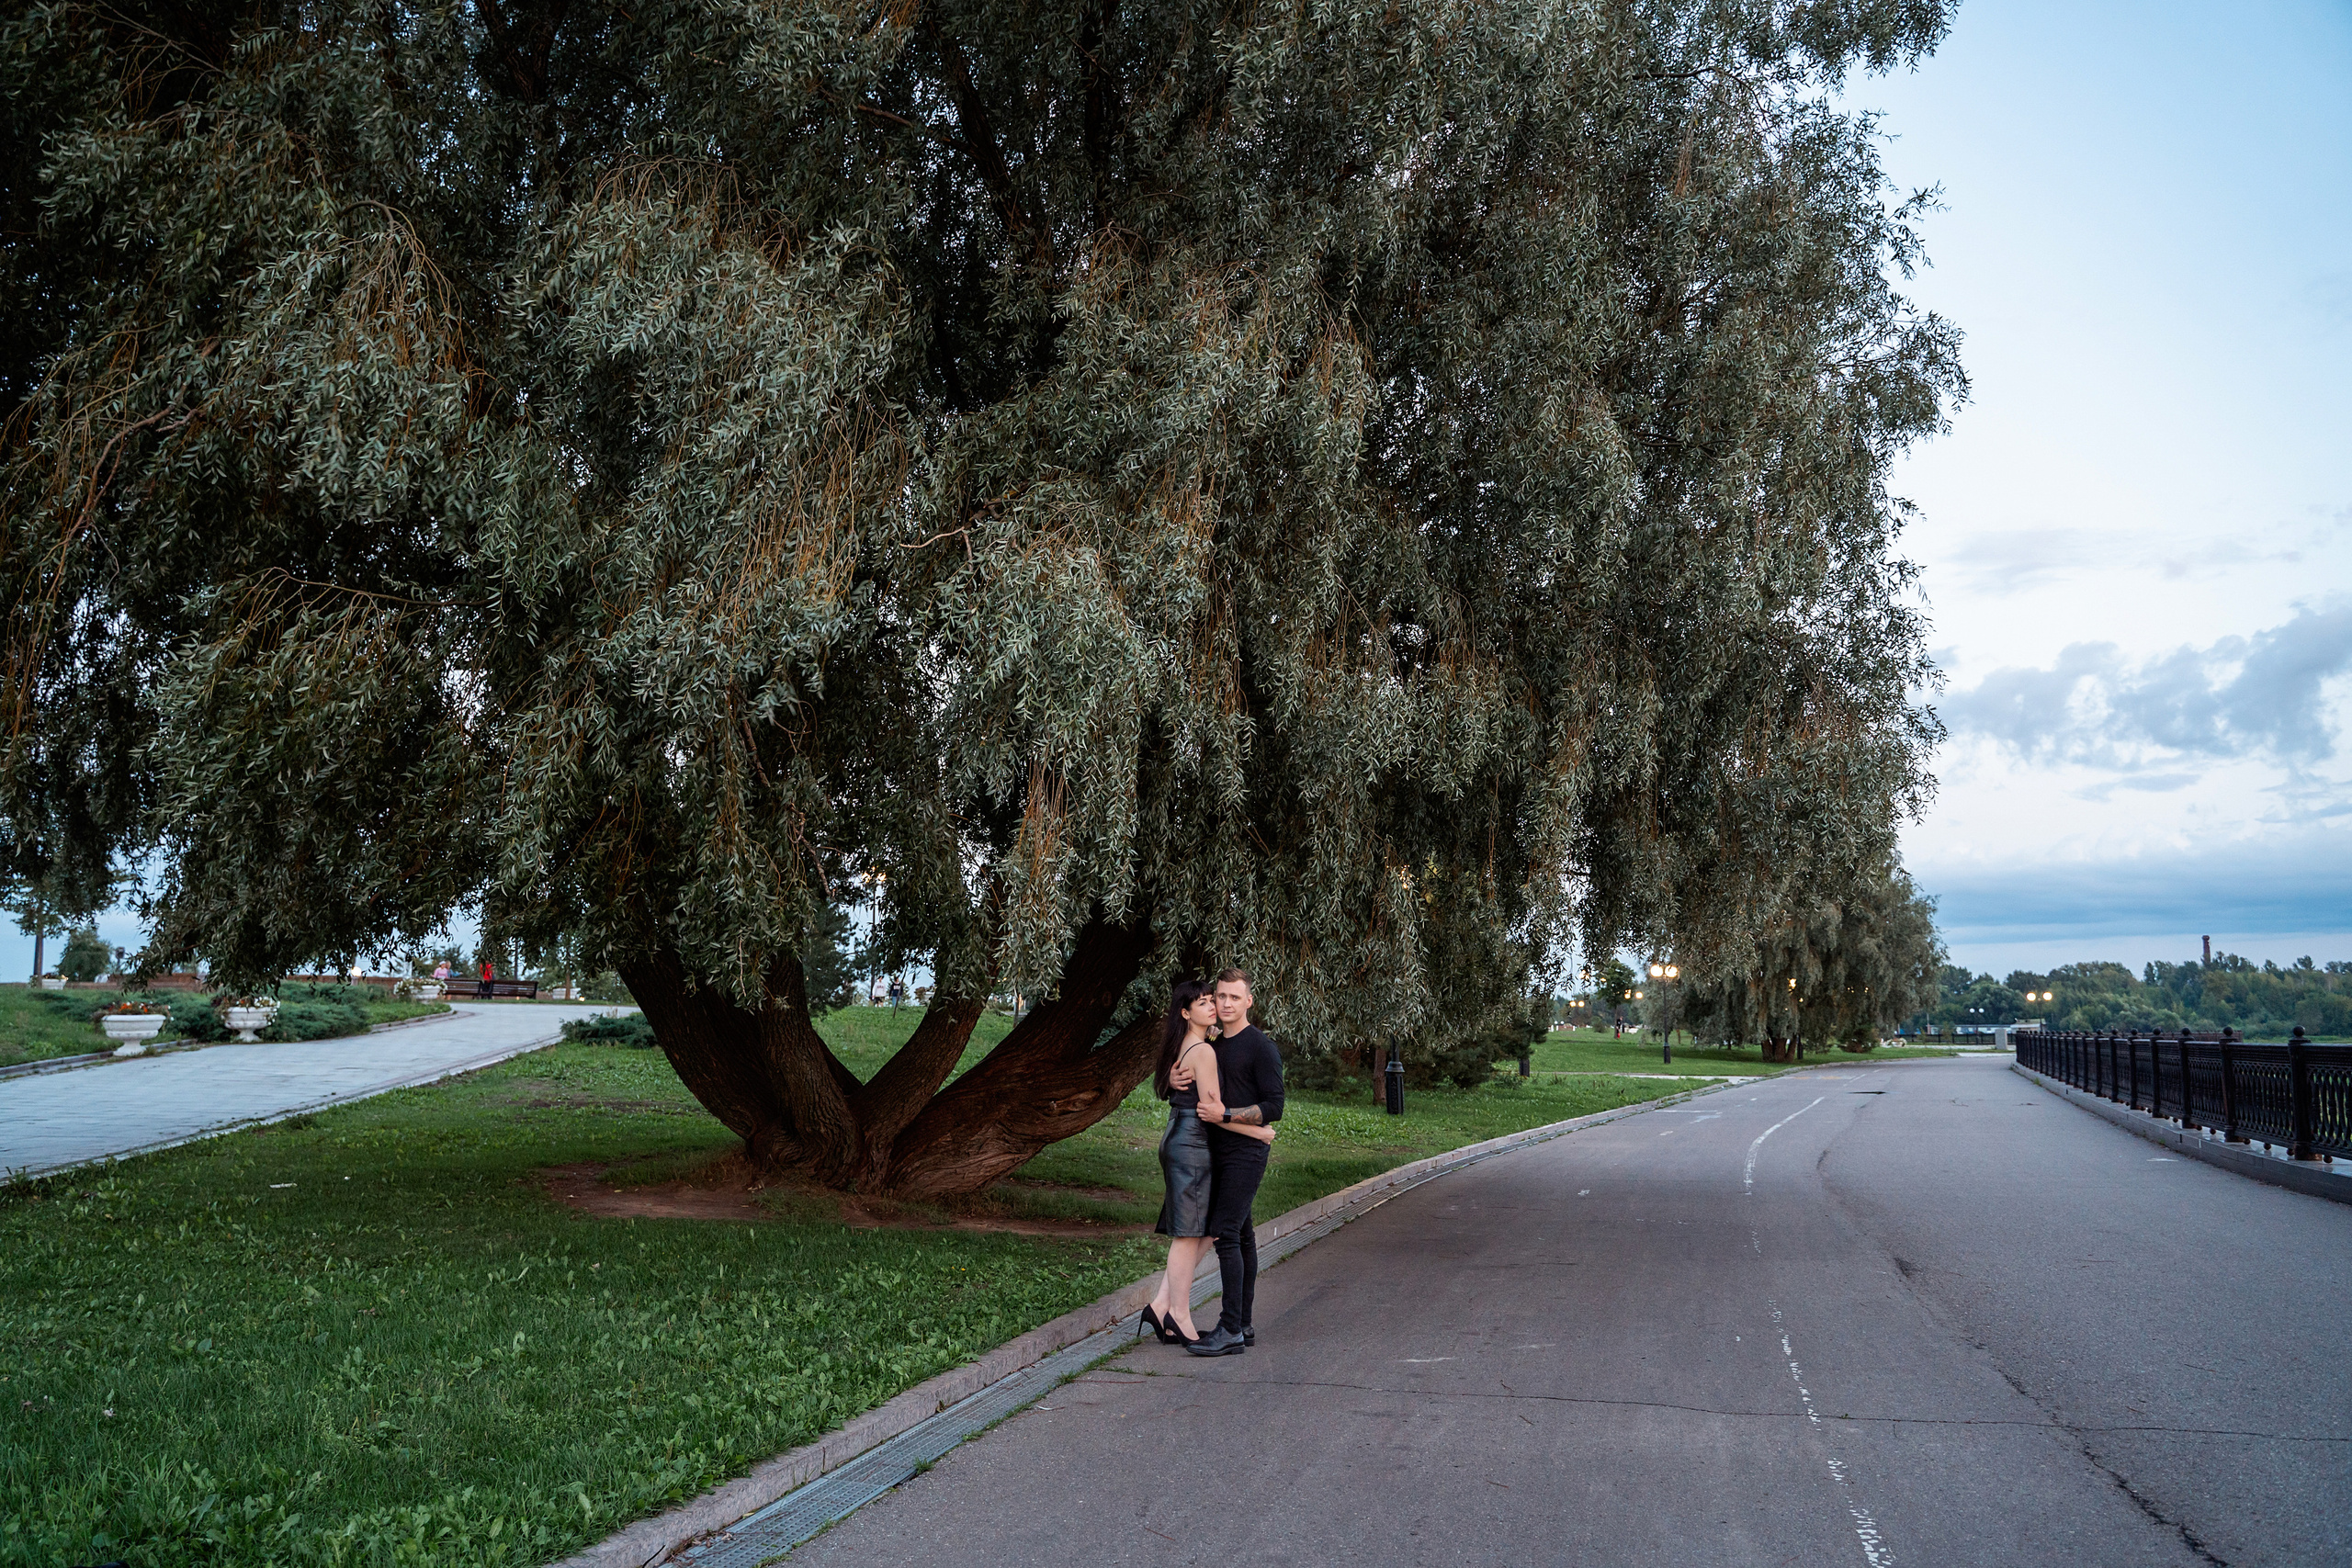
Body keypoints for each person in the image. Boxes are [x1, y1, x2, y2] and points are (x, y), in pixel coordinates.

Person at [1186, 967, 1282, 1356]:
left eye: (1234, 997)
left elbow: (1274, 1107)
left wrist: (1225, 1115)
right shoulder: (1213, 1044)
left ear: (1249, 1001)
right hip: (1218, 1153)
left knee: (1225, 1233)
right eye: (1220, 996)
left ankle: (1229, 1330)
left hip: (1246, 1153)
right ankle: (1242, 1322)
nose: (1225, 1004)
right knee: (1242, 1236)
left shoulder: (1260, 1046)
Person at [1141, 978, 1225, 1348]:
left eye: (1212, 1000)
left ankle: (1161, 1307)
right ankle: (1180, 1315)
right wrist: (1257, 1131)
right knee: (1189, 1233)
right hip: (1192, 1141)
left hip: (1182, 1137)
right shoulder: (1203, 1052)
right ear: (1186, 1012)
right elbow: (1213, 1110)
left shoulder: (1187, 1043)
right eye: (1202, 1003)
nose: (1211, 1006)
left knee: (1205, 1228)